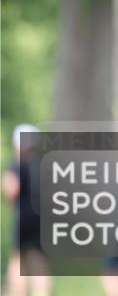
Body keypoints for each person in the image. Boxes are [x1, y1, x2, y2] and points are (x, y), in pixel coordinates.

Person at [2, 124, 51, 296]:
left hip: (23, 221)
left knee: (18, 262)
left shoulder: (18, 165)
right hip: (42, 222)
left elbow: (11, 190)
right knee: (39, 263)